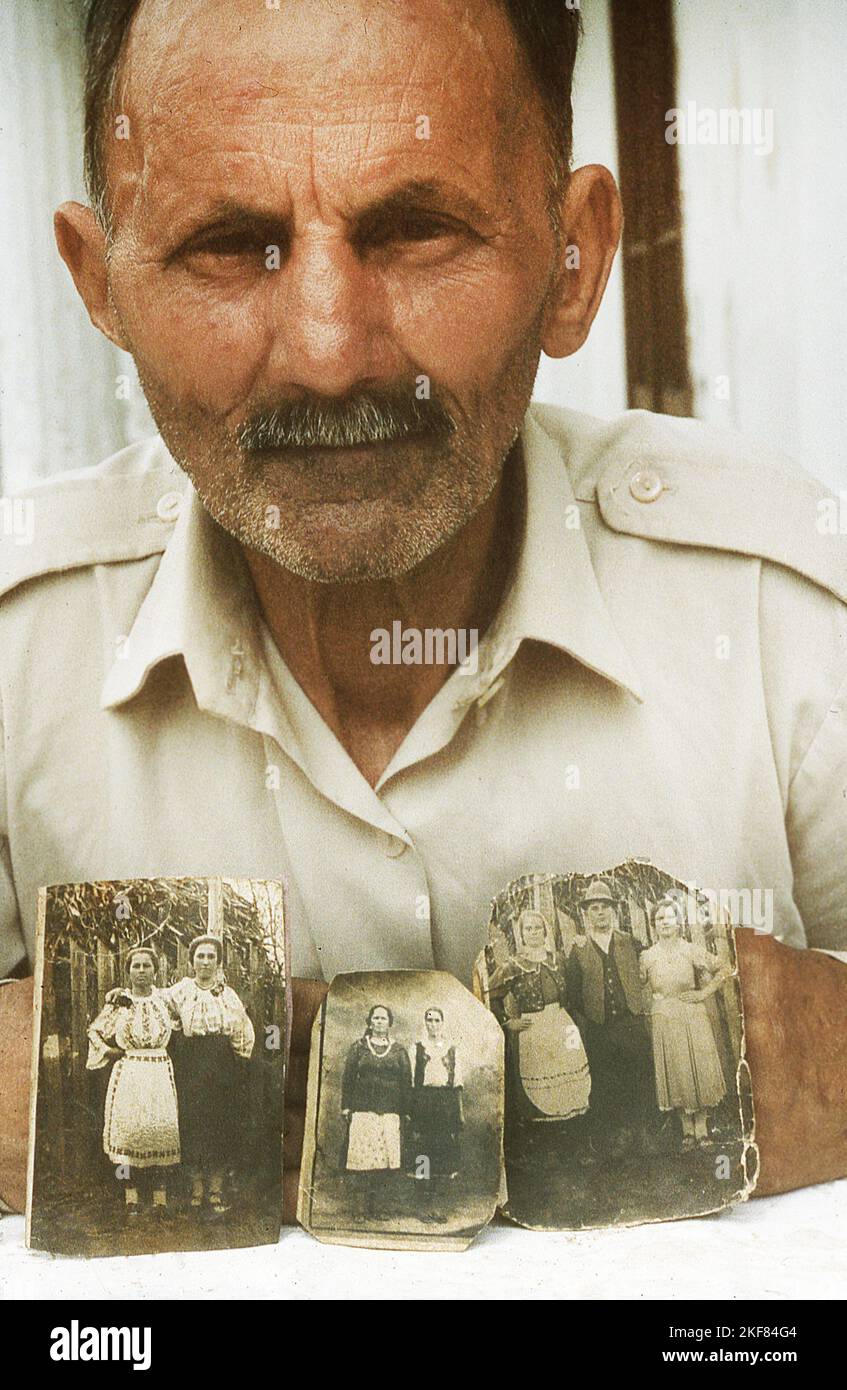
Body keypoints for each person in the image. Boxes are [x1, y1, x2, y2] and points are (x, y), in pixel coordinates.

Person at [1, 0, 846, 1216]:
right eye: (230, 245)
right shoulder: (18, 640)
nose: (331, 351)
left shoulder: (775, 599)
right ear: (100, 285)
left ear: (575, 260)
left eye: (414, 232)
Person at [86, 946, 180, 1217]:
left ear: (155, 970)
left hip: (159, 1071)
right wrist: (109, 1051)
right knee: (128, 1134)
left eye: (146, 966)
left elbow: (188, 1007)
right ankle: (131, 1196)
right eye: (135, 966)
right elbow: (94, 1030)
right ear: (128, 971)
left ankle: (159, 1197)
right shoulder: (120, 1002)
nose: (141, 971)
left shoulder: (165, 1000)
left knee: (159, 1131)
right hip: (129, 1073)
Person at [165, 936, 255, 1216]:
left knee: (219, 1127)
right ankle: (196, 1190)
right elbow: (156, 1006)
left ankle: (215, 1191)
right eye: (200, 956)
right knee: (192, 1124)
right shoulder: (180, 992)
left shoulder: (228, 995)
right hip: (191, 1064)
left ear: (218, 962)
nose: (205, 962)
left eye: (211, 957)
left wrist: (239, 1063)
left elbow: (242, 1030)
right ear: (191, 961)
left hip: (221, 1065)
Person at [566, 881, 655, 1158]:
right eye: (595, 908)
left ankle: (643, 1135)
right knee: (606, 1083)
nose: (600, 913)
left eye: (605, 907)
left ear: (613, 911)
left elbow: (652, 964)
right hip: (600, 1028)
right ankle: (617, 1139)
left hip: (631, 1023)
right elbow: (572, 992)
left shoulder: (628, 941)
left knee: (639, 1077)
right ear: (587, 914)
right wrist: (592, 1015)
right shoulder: (578, 948)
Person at [640, 897, 730, 1150]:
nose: (665, 922)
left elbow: (724, 967)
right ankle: (686, 1131)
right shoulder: (647, 957)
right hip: (664, 1019)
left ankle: (701, 1129)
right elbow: (638, 986)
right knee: (677, 1069)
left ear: (678, 922)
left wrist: (703, 993)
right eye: (659, 918)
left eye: (669, 917)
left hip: (691, 1015)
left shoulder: (690, 949)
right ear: (653, 925)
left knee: (696, 1068)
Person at [489, 910, 590, 1125]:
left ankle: (572, 1130)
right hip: (533, 1029)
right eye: (528, 928)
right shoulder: (513, 966)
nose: (534, 932)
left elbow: (574, 989)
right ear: (522, 934)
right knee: (541, 1084)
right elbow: (491, 995)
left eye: (538, 927)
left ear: (545, 932)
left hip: (561, 1023)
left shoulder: (557, 959)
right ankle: (546, 1139)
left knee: (568, 1080)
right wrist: (508, 1021)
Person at [341, 1005, 412, 1221]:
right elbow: (348, 1078)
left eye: (383, 1018)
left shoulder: (399, 1051)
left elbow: (406, 1083)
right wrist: (346, 1106)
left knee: (383, 1162)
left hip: (390, 1113)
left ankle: (378, 1208)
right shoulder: (359, 1048)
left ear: (390, 1023)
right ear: (370, 1022)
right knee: (364, 1162)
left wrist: (406, 1111)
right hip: (364, 1112)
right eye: (376, 1018)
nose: (380, 1022)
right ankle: (361, 1209)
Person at [408, 1007, 463, 1218]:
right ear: (425, 1023)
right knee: (423, 1152)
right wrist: (412, 1111)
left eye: (437, 1020)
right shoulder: (417, 1048)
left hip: (445, 1104)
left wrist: (459, 1113)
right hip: (423, 1102)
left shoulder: (453, 1049)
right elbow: (412, 1082)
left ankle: (436, 1207)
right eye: (429, 1020)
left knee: (441, 1153)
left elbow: (457, 1084)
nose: (433, 1025)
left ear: (443, 1023)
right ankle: (424, 1205)